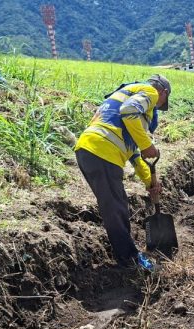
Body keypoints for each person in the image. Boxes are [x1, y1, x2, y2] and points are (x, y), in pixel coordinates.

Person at [73, 74, 171, 271]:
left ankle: (126, 255)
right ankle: (130, 260)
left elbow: (136, 157)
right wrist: (147, 144)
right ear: (164, 93)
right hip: (102, 151)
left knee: (115, 205)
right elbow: (130, 111)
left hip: (88, 150)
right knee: (116, 209)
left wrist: (150, 183)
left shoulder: (124, 99)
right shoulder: (149, 91)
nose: (156, 107)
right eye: (159, 106)